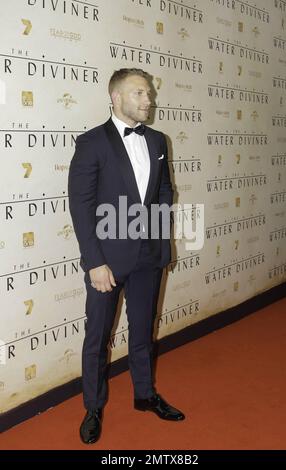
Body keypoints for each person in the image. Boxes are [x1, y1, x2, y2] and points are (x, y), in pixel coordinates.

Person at [68, 68, 185, 445]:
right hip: (107, 260)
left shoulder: (157, 140)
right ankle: (93, 406)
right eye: (140, 93)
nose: (149, 100)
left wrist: (159, 241)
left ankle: (145, 394)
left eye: (149, 93)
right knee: (97, 337)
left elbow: (165, 190)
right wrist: (94, 263)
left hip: (148, 256)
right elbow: (82, 207)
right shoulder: (92, 143)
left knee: (142, 332)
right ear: (116, 97)